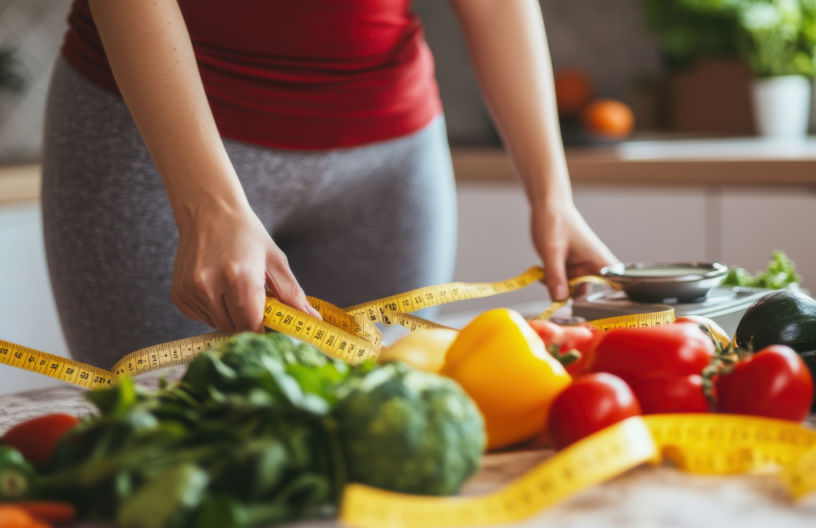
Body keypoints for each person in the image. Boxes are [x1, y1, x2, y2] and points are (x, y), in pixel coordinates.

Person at [43, 0, 618, 370]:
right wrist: (205, 205)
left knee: (377, 442)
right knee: (164, 452)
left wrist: (553, 196)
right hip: (159, 141)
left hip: (390, 157)